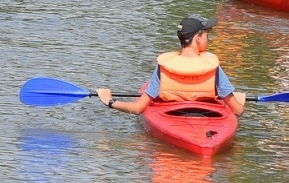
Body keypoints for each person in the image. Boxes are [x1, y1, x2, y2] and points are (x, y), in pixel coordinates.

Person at [96, 15, 246, 117]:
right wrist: (240, 101)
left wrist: (110, 101)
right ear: (198, 38)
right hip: (207, 118)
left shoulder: (164, 67)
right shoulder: (213, 67)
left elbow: (137, 109)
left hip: (170, 116)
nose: (208, 39)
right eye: (207, 35)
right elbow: (238, 111)